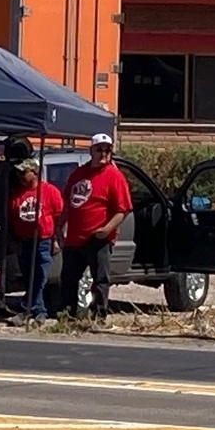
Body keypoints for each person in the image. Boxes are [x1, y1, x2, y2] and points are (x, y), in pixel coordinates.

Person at [59, 133, 132, 323]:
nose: (103, 154)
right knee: (68, 279)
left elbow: (122, 209)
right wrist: (60, 228)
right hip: (74, 238)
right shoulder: (78, 174)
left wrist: (107, 230)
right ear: (91, 151)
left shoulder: (114, 176)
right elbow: (67, 203)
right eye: (99, 150)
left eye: (107, 150)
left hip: (98, 238)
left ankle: (98, 316)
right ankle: (68, 315)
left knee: (100, 280)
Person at [8, 157, 64, 325]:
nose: (20, 176)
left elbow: (60, 217)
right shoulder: (16, 195)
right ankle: (39, 311)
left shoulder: (49, 191)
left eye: (24, 173)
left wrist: (57, 240)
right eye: (18, 173)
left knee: (40, 276)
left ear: (34, 172)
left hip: (44, 240)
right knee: (29, 278)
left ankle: (26, 308)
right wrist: (14, 240)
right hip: (24, 241)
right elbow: (11, 219)